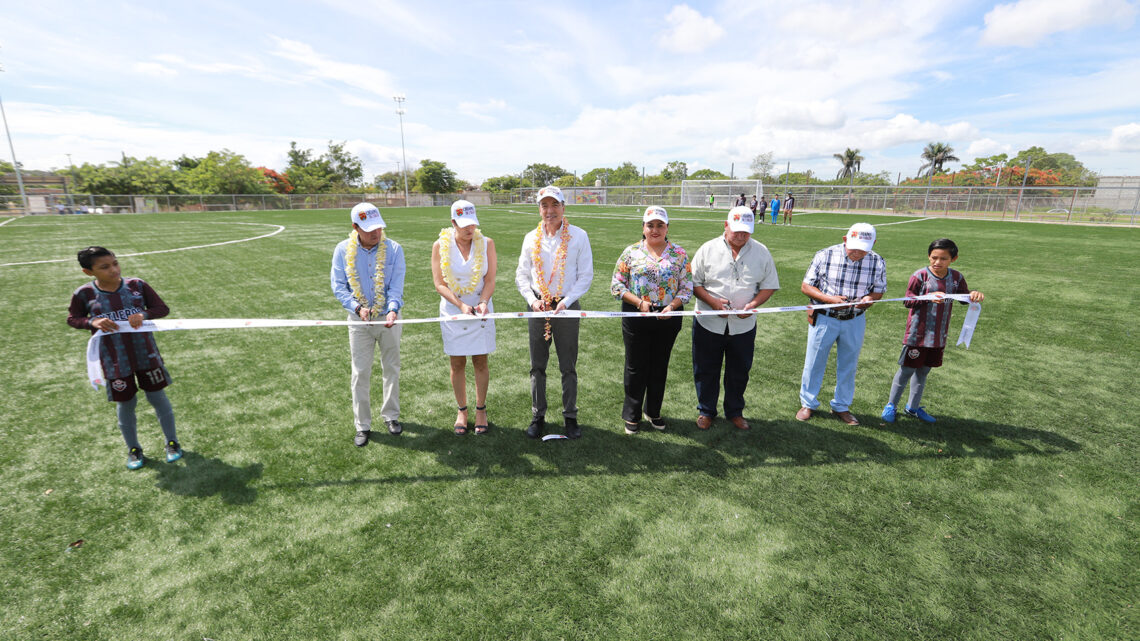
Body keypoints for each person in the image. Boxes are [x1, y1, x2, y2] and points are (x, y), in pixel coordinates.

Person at [67, 246, 182, 469]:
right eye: (105, 267)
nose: (114, 270)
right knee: (126, 403)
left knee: (157, 397)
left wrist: (144, 315)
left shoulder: (137, 286)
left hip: (146, 354)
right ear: (88, 272)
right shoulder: (84, 294)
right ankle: (134, 449)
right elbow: (73, 319)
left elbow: (161, 308)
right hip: (114, 359)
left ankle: (172, 443)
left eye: (115, 263)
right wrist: (92, 322)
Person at [690, 206, 780, 431]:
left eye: (746, 231)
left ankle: (735, 412)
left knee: (739, 370)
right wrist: (712, 303)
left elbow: (768, 286)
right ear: (726, 225)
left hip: (743, 325)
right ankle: (706, 411)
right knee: (705, 368)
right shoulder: (707, 249)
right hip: (708, 322)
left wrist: (753, 305)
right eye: (737, 230)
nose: (741, 235)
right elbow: (694, 282)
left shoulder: (761, 252)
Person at [515, 185, 593, 439]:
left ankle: (570, 417)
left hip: (566, 307)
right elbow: (522, 275)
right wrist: (532, 299)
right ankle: (538, 415)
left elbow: (585, 276)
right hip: (538, 307)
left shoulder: (579, 236)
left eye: (554, 205)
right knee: (537, 365)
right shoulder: (530, 238)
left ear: (563, 207)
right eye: (544, 205)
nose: (550, 211)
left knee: (568, 366)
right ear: (539, 209)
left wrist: (567, 300)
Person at [881, 238, 984, 424]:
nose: (937, 262)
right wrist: (928, 298)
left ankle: (912, 407)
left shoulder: (957, 278)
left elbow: (964, 298)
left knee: (923, 371)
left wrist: (974, 295)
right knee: (906, 370)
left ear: (953, 259)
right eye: (934, 257)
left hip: (938, 336)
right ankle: (891, 405)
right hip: (917, 335)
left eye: (943, 258)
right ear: (929, 256)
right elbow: (907, 301)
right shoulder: (920, 276)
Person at [610, 206, 694, 434]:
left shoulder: (679, 254)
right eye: (650, 225)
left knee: (659, 366)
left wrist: (672, 305)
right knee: (636, 366)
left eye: (660, 225)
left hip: (669, 315)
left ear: (667, 228)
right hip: (636, 314)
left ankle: (653, 411)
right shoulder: (631, 252)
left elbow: (687, 287)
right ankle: (632, 414)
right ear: (643, 228)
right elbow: (616, 284)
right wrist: (639, 303)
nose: (655, 230)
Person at [331, 202, 406, 446]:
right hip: (358, 321)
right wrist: (356, 307)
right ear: (355, 227)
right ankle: (362, 425)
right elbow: (339, 285)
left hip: (389, 319)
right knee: (360, 372)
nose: (376, 233)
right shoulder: (342, 250)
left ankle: (391, 416)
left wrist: (393, 309)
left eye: (379, 228)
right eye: (369, 229)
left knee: (391, 368)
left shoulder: (394, 249)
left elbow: (396, 284)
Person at [797, 223, 886, 425]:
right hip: (824, 317)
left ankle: (841, 406)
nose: (857, 253)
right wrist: (829, 300)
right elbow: (806, 286)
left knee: (848, 364)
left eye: (863, 249)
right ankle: (808, 403)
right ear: (845, 240)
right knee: (814, 362)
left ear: (873, 244)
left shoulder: (877, 261)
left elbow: (878, 291)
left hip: (854, 319)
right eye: (853, 247)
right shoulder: (825, 255)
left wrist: (869, 299)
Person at [431, 200, 497, 435]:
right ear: (453, 223)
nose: (470, 229)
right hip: (452, 309)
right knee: (457, 363)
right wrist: (460, 304)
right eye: (464, 225)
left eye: (473, 224)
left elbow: (489, 280)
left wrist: (482, 302)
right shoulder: (440, 245)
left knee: (480, 360)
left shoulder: (486, 243)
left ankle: (481, 409)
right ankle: (462, 410)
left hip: (481, 308)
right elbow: (439, 283)